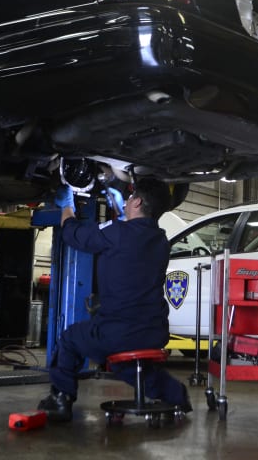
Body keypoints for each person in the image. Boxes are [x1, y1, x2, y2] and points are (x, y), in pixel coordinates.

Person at [38, 177, 191, 422]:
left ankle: (60, 400)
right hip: (153, 331)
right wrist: (121, 211)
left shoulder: (117, 233)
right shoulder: (161, 240)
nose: (128, 200)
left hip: (118, 332)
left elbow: (73, 234)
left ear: (138, 202)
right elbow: (130, 236)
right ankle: (177, 395)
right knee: (125, 365)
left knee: (70, 339)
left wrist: (67, 206)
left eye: (131, 197)